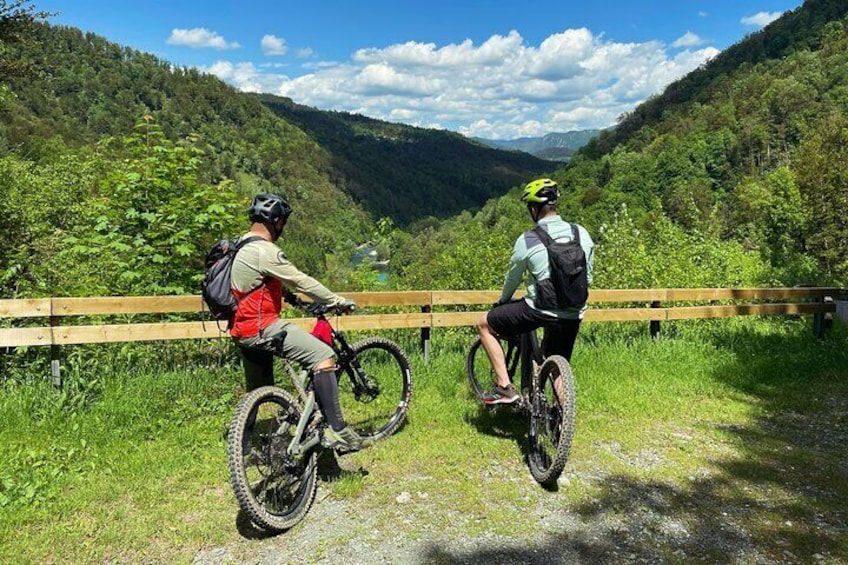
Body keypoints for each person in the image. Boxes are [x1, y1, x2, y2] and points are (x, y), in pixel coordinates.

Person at [229, 192, 366, 451]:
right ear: (277, 221)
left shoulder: (241, 246)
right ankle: (337, 432)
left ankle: (244, 447)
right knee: (324, 356)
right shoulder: (264, 250)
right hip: (263, 326)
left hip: (241, 329)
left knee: (257, 393)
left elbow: (260, 287)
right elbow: (302, 280)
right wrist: (337, 300)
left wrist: (295, 302)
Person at [476, 178, 595, 404]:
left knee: (483, 324)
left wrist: (502, 301)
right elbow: (587, 277)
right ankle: (561, 421)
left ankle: (504, 387)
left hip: (537, 310)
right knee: (558, 366)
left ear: (534, 208)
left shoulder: (528, 239)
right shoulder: (582, 234)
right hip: (573, 312)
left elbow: (512, 278)